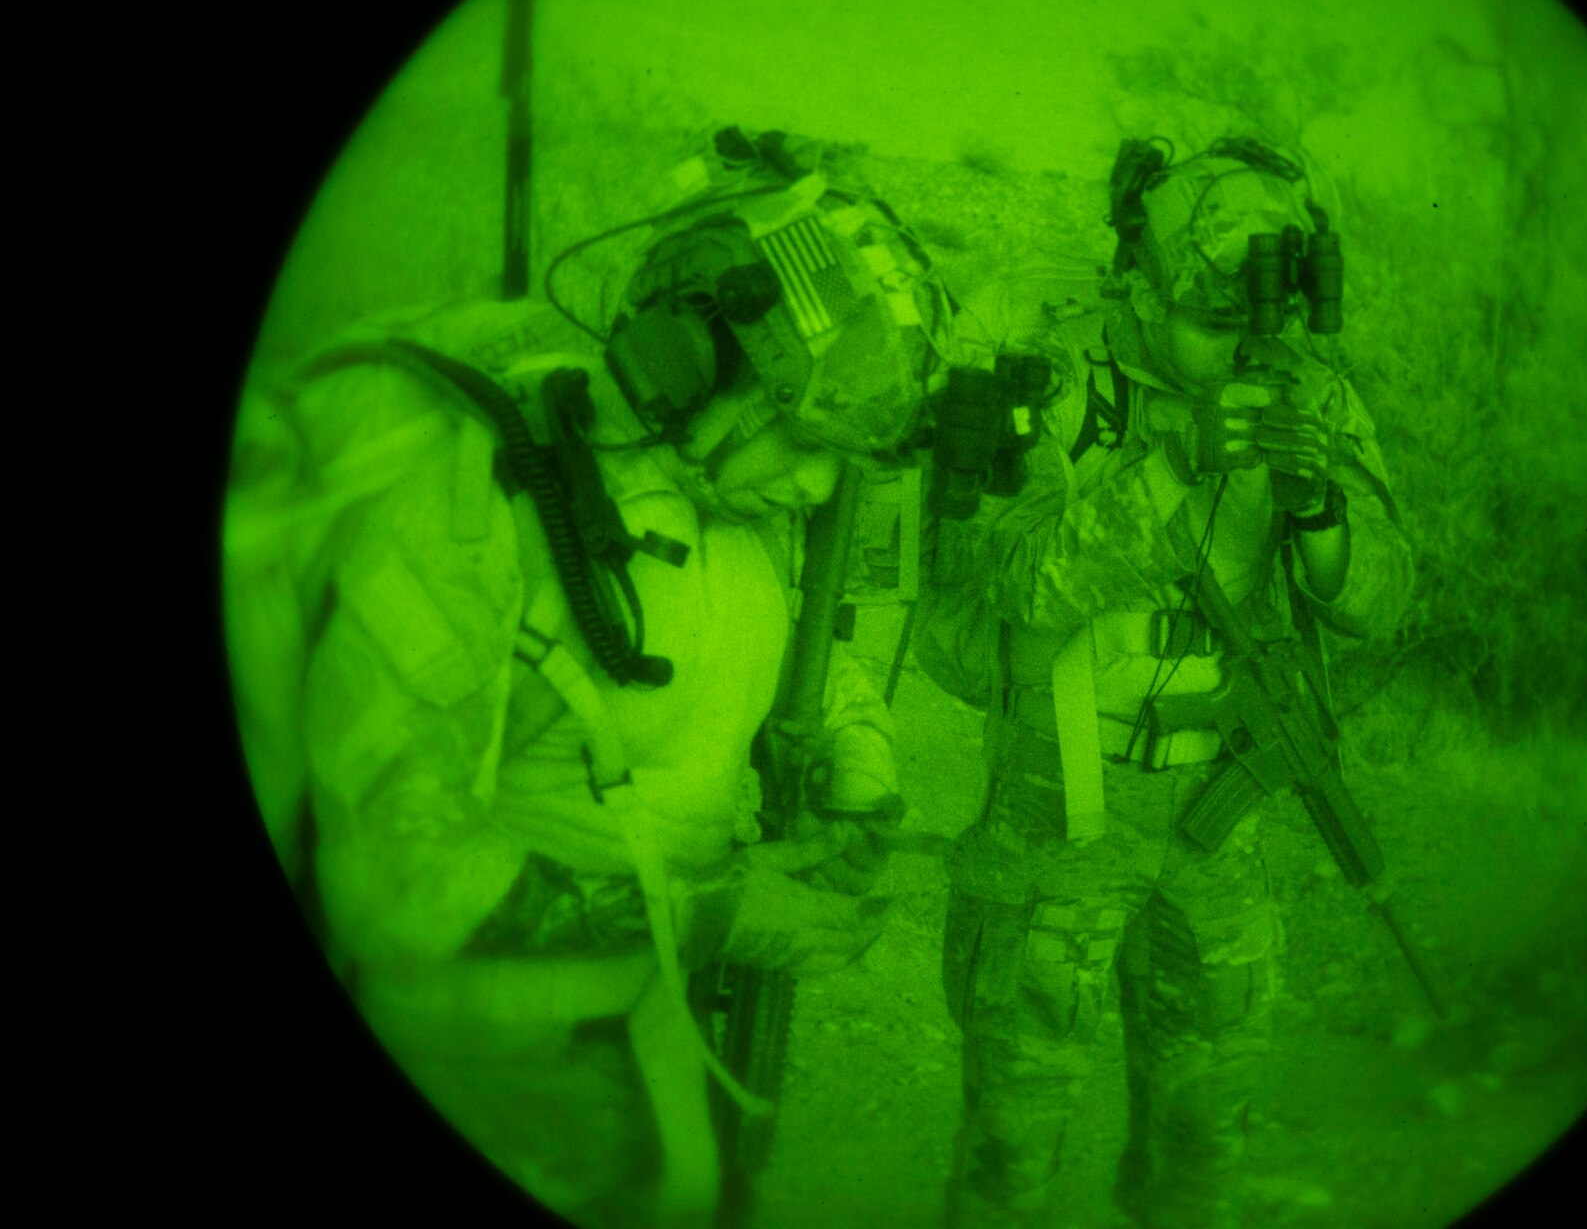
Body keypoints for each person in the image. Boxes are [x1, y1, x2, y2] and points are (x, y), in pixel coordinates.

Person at [222, 126, 953, 1229]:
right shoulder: (470, 502)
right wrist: (726, 915)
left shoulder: (728, 492)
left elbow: (786, 636)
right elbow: (397, 887)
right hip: (475, 1082)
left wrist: (861, 756)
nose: (815, 487)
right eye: (801, 443)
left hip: (646, 1056)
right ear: (691, 361)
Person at [929, 137, 1416, 1229]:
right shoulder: (1051, 379)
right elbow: (1009, 579)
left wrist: (1322, 523)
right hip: (1053, 812)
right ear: (1142, 283)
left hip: (1214, 830)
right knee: (1014, 1155)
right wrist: (1169, 468)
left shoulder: (1305, 389)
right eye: (1204, 325)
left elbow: (1383, 601)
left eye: (1243, 324)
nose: (1229, 350)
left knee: (1205, 1148)